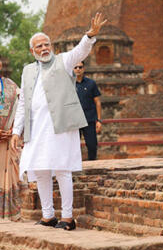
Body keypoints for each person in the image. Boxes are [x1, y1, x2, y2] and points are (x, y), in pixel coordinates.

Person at [10, 12, 107, 230]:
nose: (44, 49)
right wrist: (17, 131)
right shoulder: (27, 71)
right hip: (36, 129)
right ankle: (47, 215)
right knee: (41, 169)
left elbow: (80, 51)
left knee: (62, 169)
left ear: (51, 46)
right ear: (32, 51)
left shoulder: (64, 61)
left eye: (47, 45)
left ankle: (67, 217)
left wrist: (90, 35)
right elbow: (23, 103)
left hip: (60, 126)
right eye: (39, 47)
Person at [0, 60, 21, 220]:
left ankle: (9, 214)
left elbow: (20, 109)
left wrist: (13, 130)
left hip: (8, 140)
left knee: (10, 175)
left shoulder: (11, 86)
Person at [74, 61, 102, 160]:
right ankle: (75, 167)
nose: (78, 69)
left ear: (84, 69)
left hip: (89, 119)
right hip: (74, 121)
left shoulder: (91, 83)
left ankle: (93, 166)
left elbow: (97, 102)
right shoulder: (68, 84)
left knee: (92, 145)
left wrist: (98, 120)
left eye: (80, 67)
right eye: (75, 67)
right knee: (73, 147)